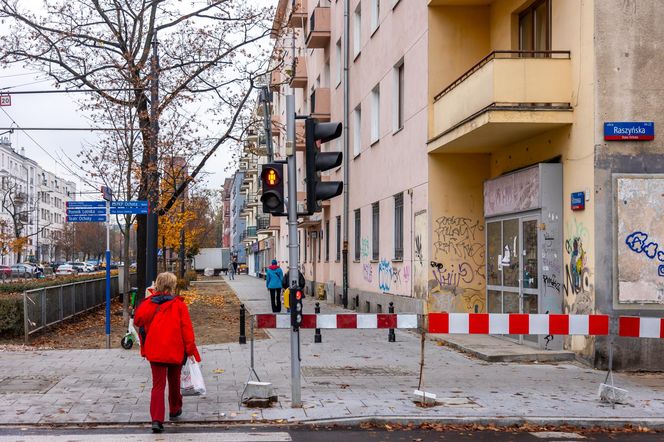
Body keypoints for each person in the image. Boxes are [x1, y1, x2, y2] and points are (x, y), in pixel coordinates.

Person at [134, 272, 201, 434]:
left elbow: (137, 321)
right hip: (175, 350)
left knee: (158, 386)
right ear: (172, 286)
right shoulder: (179, 305)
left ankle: (156, 420)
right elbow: (187, 331)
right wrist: (191, 350)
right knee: (174, 381)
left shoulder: (148, 303)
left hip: (155, 350)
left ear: (157, 284)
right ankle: (174, 409)